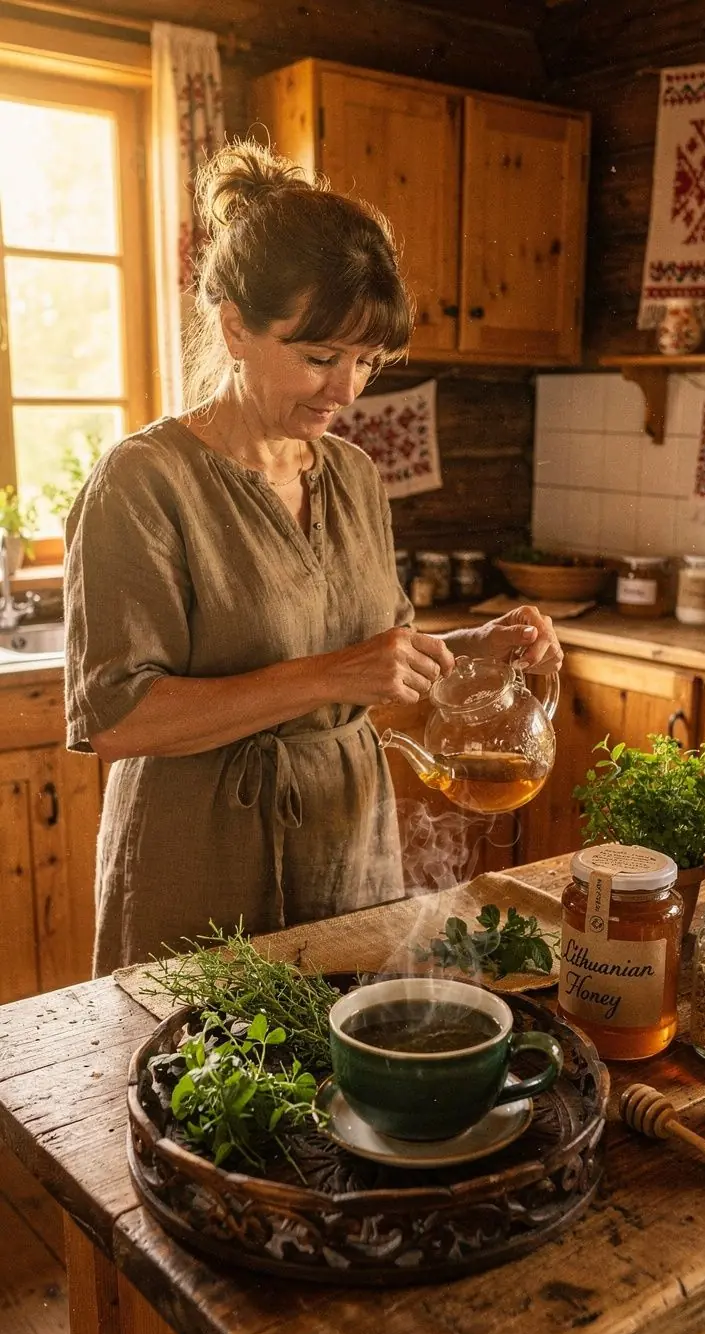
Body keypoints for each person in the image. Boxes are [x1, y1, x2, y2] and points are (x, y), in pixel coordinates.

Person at [64, 139, 563, 976]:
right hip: (202, 862)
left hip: (348, 851)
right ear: (235, 328)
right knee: (207, 1057)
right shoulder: (144, 480)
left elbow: (377, 654)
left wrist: (476, 649)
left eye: (367, 362)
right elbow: (118, 720)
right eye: (321, 358)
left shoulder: (354, 475)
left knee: (344, 1050)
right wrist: (334, 675)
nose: (347, 390)